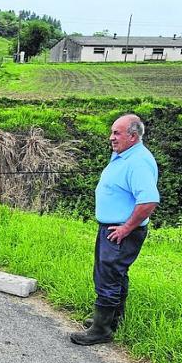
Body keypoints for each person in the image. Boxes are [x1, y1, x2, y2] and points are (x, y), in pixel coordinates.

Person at [70, 114, 158, 346]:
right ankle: (110, 320)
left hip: (121, 231)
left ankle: (101, 329)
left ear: (132, 136)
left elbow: (148, 201)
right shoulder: (123, 155)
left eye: (116, 133)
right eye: (112, 132)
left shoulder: (138, 161)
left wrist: (126, 228)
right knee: (113, 274)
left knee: (108, 276)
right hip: (112, 228)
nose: (111, 138)